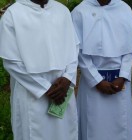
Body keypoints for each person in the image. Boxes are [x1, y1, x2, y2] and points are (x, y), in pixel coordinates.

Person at [0, 0, 79, 139]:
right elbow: (11, 62)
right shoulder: (13, 14)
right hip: (31, 90)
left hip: (63, 88)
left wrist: (67, 78)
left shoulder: (63, 11)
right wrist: (44, 88)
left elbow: (74, 50)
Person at [71, 0, 132, 140]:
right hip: (92, 81)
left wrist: (123, 75)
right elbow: (78, 51)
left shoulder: (124, 8)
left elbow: (130, 48)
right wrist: (96, 80)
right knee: (93, 126)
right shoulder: (80, 11)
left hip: (120, 81)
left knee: (121, 125)